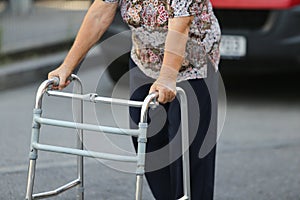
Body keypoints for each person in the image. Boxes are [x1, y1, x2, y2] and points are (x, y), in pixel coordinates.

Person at [48, 0, 221, 199]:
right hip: (145, 59)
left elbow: (180, 24)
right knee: (148, 140)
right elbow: (100, 13)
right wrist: (67, 66)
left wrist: (166, 76)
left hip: (193, 65)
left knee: (188, 149)